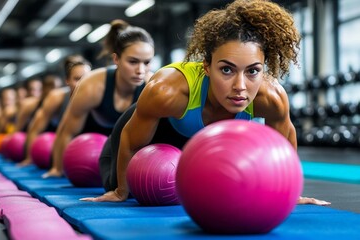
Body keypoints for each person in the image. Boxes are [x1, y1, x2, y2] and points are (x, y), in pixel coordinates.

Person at [81, 0, 330, 206]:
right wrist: (121, 190)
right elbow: (131, 142)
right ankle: (105, 158)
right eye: (227, 70)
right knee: (133, 190)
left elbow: (284, 151)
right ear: (207, 67)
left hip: (202, 145)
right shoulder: (167, 91)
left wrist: (292, 194)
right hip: (157, 132)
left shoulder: (271, 97)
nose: (240, 86)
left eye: (253, 71)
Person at [42, 19, 155, 178]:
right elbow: (66, 131)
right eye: (133, 62)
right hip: (90, 132)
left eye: (147, 62)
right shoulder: (92, 85)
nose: (141, 70)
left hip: (124, 142)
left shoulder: (153, 86)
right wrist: (57, 168)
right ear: (116, 59)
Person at [17, 55, 92, 167]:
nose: (82, 82)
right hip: (59, 150)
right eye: (77, 78)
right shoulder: (56, 97)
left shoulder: (97, 95)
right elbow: (35, 129)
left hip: (89, 151)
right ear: (67, 79)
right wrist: (29, 158)